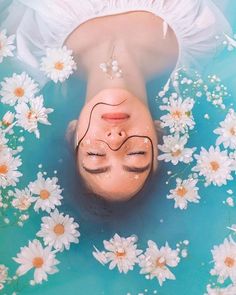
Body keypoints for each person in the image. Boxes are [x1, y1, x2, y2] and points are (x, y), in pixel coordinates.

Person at [1, 0, 232, 202]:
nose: (115, 139)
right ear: (159, 132)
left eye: (95, 154)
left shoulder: (28, 45)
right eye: (136, 154)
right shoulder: (203, 31)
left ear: (73, 132)